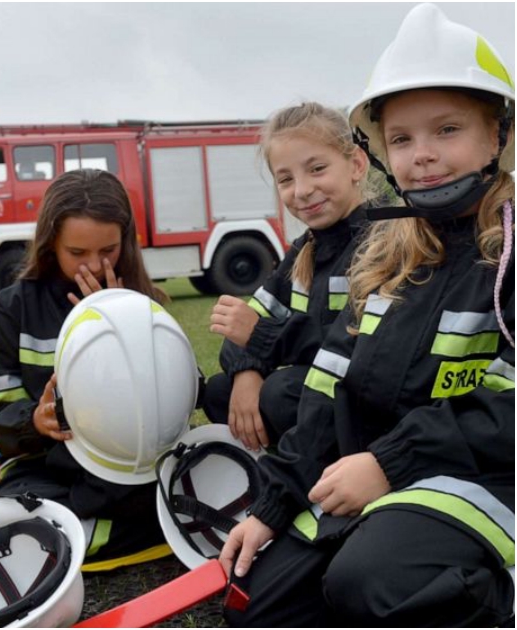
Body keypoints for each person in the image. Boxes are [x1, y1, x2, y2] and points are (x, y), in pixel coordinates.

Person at [220, 5, 514, 625]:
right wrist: (271, 506)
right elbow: (328, 391)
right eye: (402, 139)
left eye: (448, 130)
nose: (423, 156)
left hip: (491, 485)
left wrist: (387, 464)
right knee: (260, 608)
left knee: (370, 578)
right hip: (397, 481)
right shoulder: (386, 257)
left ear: (501, 137)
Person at [0, 168, 183, 564]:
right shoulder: (12, 309)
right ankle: (144, 524)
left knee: (175, 478)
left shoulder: (142, 302)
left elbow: (178, 395)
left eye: (108, 250)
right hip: (48, 465)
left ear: (126, 240)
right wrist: (34, 422)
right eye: (77, 253)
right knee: (12, 503)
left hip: (129, 466)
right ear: (50, 244)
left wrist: (123, 318)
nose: (93, 264)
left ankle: (65, 537)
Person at [205, 102, 373, 451]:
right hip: (311, 392)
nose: (302, 190)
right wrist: (247, 372)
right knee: (222, 390)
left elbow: (358, 350)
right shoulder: (303, 251)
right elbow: (248, 324)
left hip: (366, 402)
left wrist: (261, 337)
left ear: (356, 164)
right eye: (286, 179)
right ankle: (270, 463)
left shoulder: (380, 245)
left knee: (282, 393)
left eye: (317, 169)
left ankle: (318, 476)